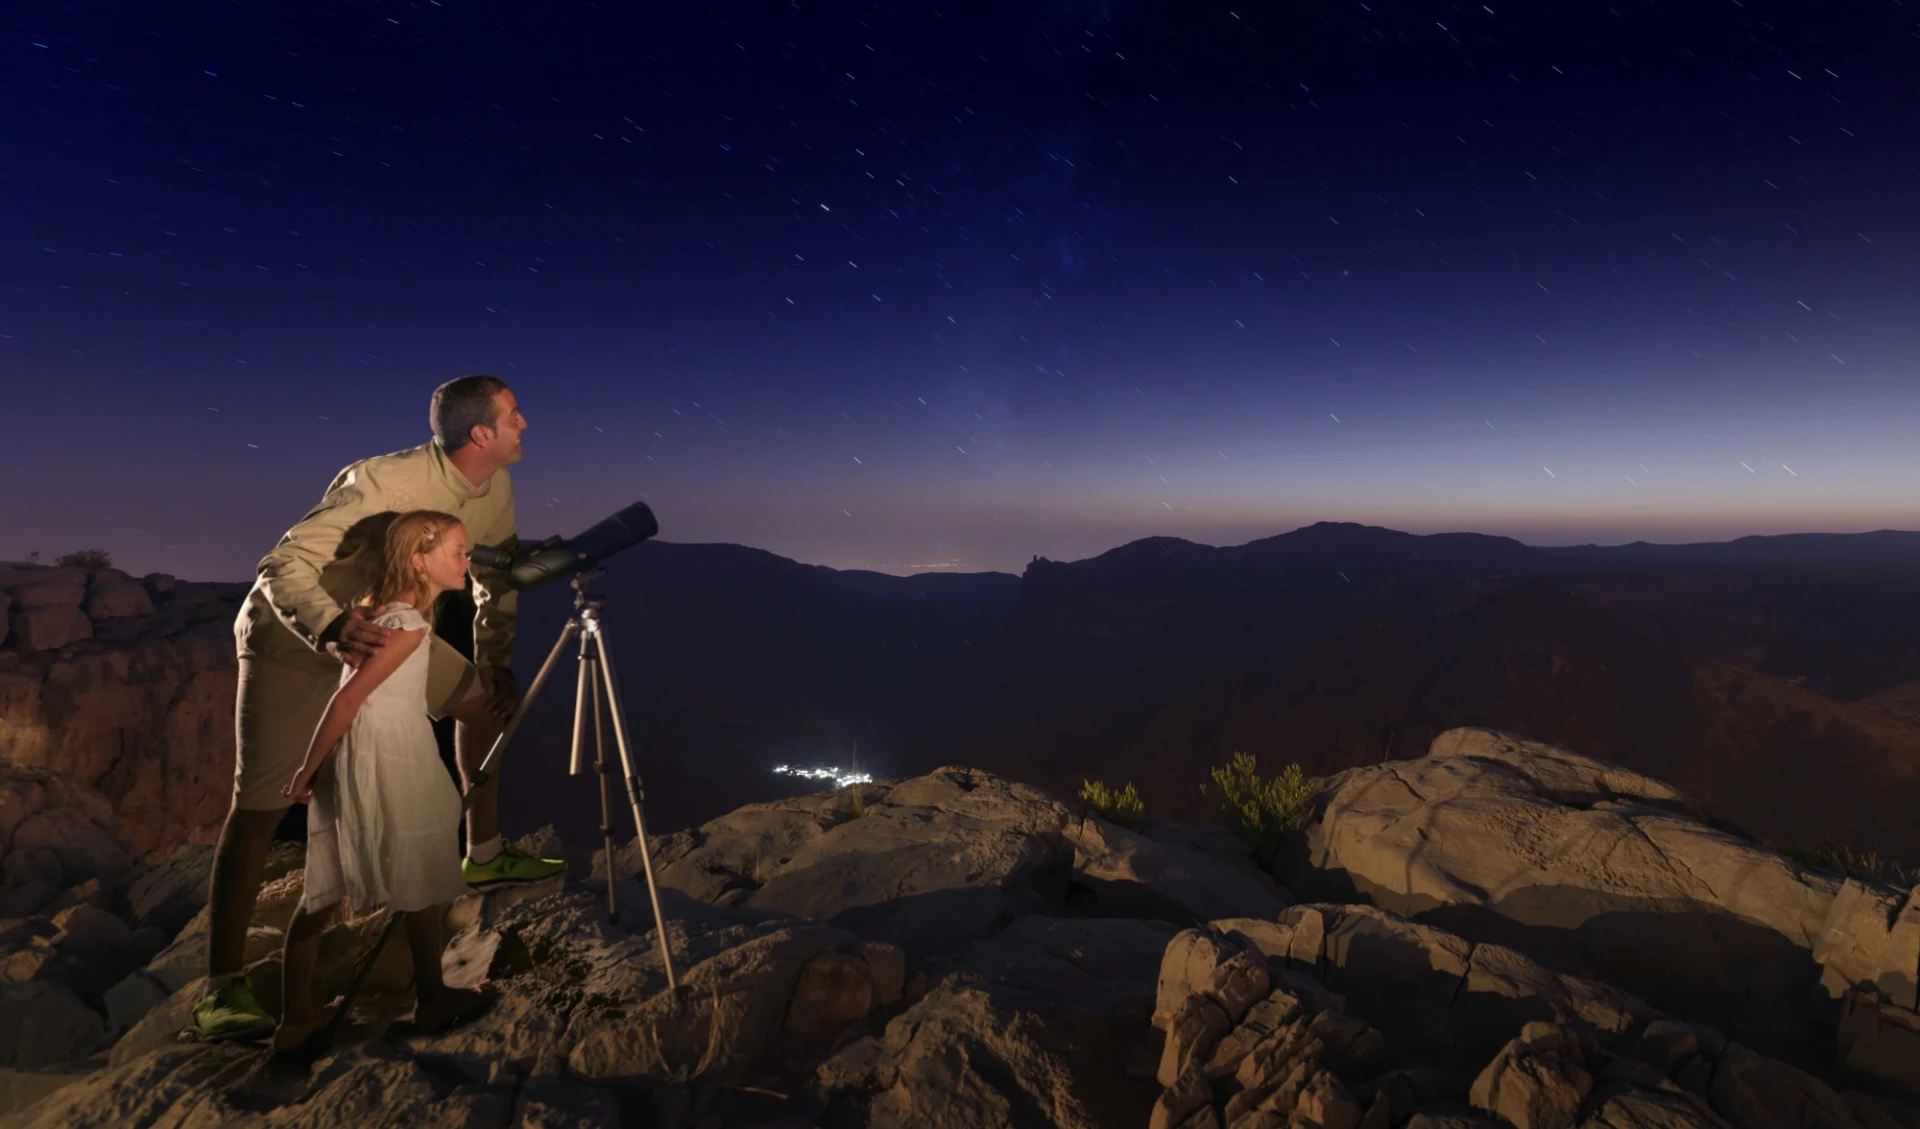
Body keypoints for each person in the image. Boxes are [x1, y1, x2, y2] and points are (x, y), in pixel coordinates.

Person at [188, 375, 564, 1043]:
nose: (526, 423)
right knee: (263, 804)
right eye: (513, 415)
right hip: (296, 642)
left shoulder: (495, 489)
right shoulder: (380, 480)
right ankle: (222, 987)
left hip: (391, 637)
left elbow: (495, 578)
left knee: (484, 704)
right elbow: (281, 563)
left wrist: (492, 656)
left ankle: (483, 851)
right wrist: (330, 627)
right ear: (481, 433)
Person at [272, 511, 498, 1050]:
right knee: (412, 875)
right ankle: (432, 1000)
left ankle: (296, 1018)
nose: (466, 562)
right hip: (390, 754)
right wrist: (305, 769)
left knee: (325, 891)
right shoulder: (409, 625)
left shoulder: (382, 614)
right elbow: (348, 698)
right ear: (420, 562)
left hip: (370, 749)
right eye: (457, 551)